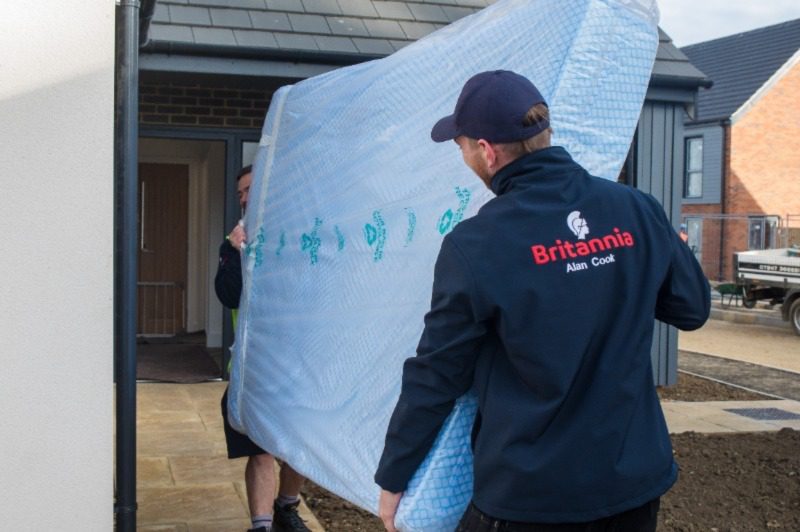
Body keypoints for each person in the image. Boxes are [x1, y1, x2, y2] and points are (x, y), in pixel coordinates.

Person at [374, 71, 710, 531]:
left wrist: (394, 475)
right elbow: (691, 308)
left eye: (463, 147)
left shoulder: (477, 244)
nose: (465, 157)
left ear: (487, 152)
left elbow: (437, 373)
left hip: (532, 495)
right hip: (631, 482)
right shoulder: (636, 208)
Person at [216, 165, 310, 532]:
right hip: (252, 367)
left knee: (301, 445)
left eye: (248, 189)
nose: (242, 197)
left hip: (297, 364)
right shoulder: (234, 241)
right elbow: (227, 295)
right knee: (258, 448)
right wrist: (238, 252)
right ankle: (262, 525)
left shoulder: (300, 234)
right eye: (239, 192)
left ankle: (286, 508)